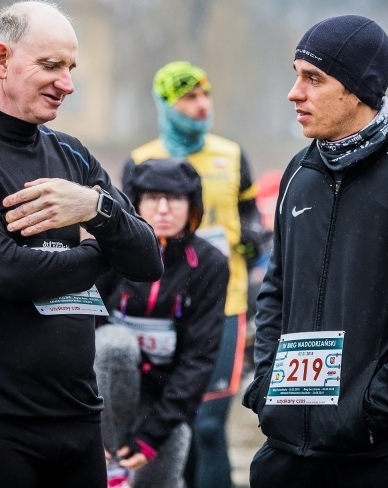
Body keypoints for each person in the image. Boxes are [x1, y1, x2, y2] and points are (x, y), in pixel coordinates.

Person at [0, 0, 163, 488]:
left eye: (70, 67)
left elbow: (148, 258)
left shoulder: (71, 154)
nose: (67, 83)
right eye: (51, 65)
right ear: (2, 59)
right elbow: (2, 272)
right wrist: (98, 252)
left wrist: (95, 210)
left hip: (80, 412)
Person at [243, 15, 388, 487]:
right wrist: (268, 389)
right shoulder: (297, 173)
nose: (295, 93)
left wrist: (374, 408)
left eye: (313, 78)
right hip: (288, 453)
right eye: (295, 75)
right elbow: (276, 292)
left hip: (386, 455)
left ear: (358, 88)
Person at [123, 61, 262, 488]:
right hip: (159, 309)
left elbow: (249, 212)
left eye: (206, 95)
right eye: (188, 98)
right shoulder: (140, 162)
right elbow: (123, 235)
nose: (202, 106)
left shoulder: (232, 154)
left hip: (226, 301)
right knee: (169, 418)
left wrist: (253, 235)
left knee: (206, 422)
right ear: (165, 105)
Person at [94, 158, 228, 488]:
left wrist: (151, 436)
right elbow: (83, 331)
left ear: (192, 205)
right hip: (105, 396)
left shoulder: (210, 263)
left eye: (176, 198)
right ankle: (110, 456)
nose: (164, 209)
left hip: (164, 401)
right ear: (136, 203)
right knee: (114, 344)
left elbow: (198, 360)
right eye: (153, 198)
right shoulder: (108, 252)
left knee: (161, 479)